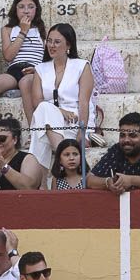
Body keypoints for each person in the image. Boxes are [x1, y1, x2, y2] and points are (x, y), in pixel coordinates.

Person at [29, 23, 95, 172]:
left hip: (74, 122)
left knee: (39, 137)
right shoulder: (40, 69)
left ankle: (42, 185)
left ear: (68, 45)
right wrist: (60, 111)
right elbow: (37, 102)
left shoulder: (82, 66)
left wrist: (82, 132)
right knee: (43, 108)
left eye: (57, 42)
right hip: (48, 121)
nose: (51, 45)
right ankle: (63, 155)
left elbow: (84, 102)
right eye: (49, 41)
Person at [0, 0, 45, 129]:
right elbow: (8, 56)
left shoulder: (42, 30)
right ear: (15, 9)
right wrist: (23, 31)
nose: (26, 11)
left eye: (31, 7)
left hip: (34, 70)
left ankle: (34, 130)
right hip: (14, 69)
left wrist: (37, 70)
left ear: (37, 9)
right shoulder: (8, 29)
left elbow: (47, 57)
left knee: (25, 83)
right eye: (21, 7)